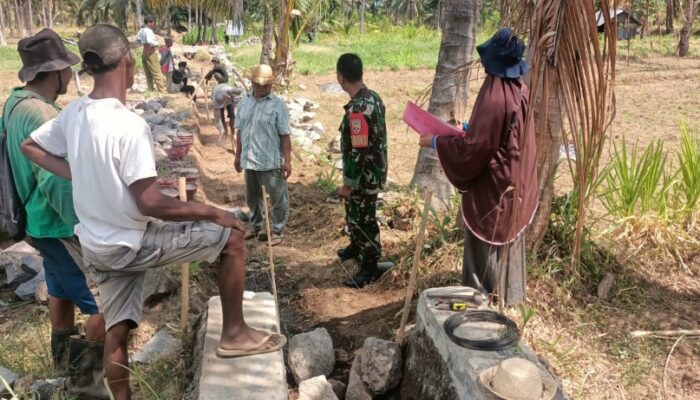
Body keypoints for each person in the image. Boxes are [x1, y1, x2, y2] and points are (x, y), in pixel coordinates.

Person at [22, 24, 286, 400]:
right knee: (232, 237)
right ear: (128, 64)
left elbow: (30, 145)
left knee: (117, 332)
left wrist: (78, 172)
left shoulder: (75, 113)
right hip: (133, 242)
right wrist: (212, 212)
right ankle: (235, 335)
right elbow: (151, 204)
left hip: (99, 246)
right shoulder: (129, 126)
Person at [2, 27, 107, 385]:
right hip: (57, 222)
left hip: (36, 221)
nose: (70, 75)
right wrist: (84, 226)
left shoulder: (15, 104)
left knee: (60, 290)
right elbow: (55, 180)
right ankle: (85, 384)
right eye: (67, 69)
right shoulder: (44, 116)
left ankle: (61, 368)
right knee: (104, 304)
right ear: (55, 71)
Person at [418, 28, 538, 305]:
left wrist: (437, 142)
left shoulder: (494, 96)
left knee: (485, 246)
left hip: (495, 188)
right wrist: (470, 129)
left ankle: (479, 300)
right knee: (508, 243)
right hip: (515, 181)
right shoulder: (520, 90)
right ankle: (511, 299)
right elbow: (503, 134)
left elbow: (476, 149)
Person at [335, 53, 388, 288]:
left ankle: (370, 267)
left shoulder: (358, 109)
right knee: (355, 212)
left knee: (362, 218)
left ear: (340, 77)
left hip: (364, 176)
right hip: (372, 171)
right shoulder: (373, 97)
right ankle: (356, 247)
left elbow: (359, 150)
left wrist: (348, 183)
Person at [234, 64, 291, 246]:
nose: (262, 88)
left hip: (270, 160)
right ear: (252, 83)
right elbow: (240, 131)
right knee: (252, 196)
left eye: (266, 85)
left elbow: (285, 135)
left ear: (271, 85)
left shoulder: (277, 105)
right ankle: (255, 225)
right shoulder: (245, 101)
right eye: (258, 84)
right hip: (249, 159)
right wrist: (237, 155)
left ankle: (277, 230)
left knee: (277, 196)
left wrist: (287, 161)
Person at [136, 15, 165, 92]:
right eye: (153, 23)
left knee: (148, 74)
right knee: (157, 73)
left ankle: (150, 90)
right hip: (151, 54)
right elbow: (150, 41)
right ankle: (162, 91)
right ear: (149, 23)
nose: (153, 25)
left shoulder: (141, 30)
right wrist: (158, 44)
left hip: (144, 53)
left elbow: (138, 40)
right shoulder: (148, 31)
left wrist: (144, 43)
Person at [211, 74, 242, 139]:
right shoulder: (216, 101)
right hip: (220, 101)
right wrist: (221, 130)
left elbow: (239, 92)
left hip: (230, 100)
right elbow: (217, 119)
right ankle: (225, 133)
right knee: (221, 117)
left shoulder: (231, 91)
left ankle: (233, 133)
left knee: (232, 115)